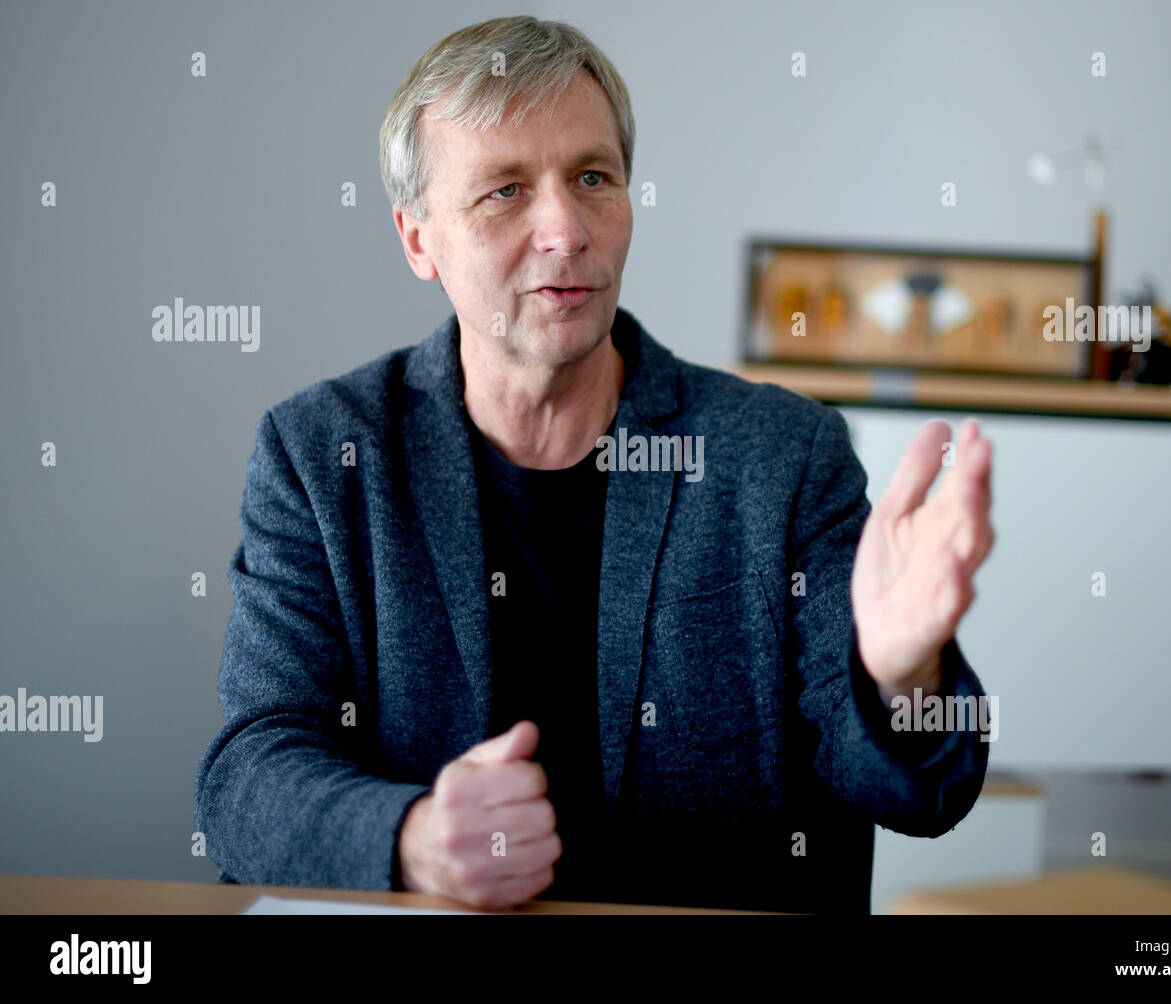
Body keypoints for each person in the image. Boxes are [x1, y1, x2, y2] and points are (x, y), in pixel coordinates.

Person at [194, 15, 996, 914]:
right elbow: (248, 774)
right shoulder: (321, 455)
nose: (566, 231)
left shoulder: (781, 455)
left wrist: (899, 677)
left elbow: (928, 794)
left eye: (592, 178)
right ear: (419, 240)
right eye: (504, 191)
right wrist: (415, 841)